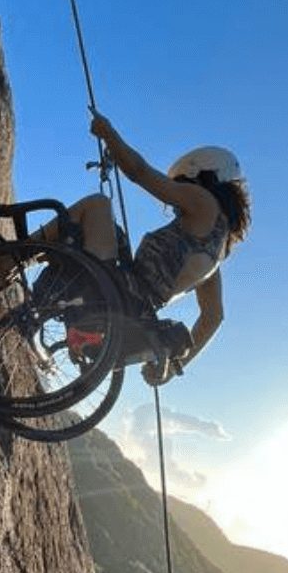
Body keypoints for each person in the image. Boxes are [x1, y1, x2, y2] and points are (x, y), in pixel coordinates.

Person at [32, 113, 250, 385]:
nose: (175, 201)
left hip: (117, 290)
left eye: (182, 184)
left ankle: (7, 261)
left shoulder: (203, 202)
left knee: (98, 205)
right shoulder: (216, 255)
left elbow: (139, 172)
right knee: (115, 232)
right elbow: (213, 317)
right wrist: (174, 367)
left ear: (201, 173)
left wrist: (108, 133)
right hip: (133, 314)